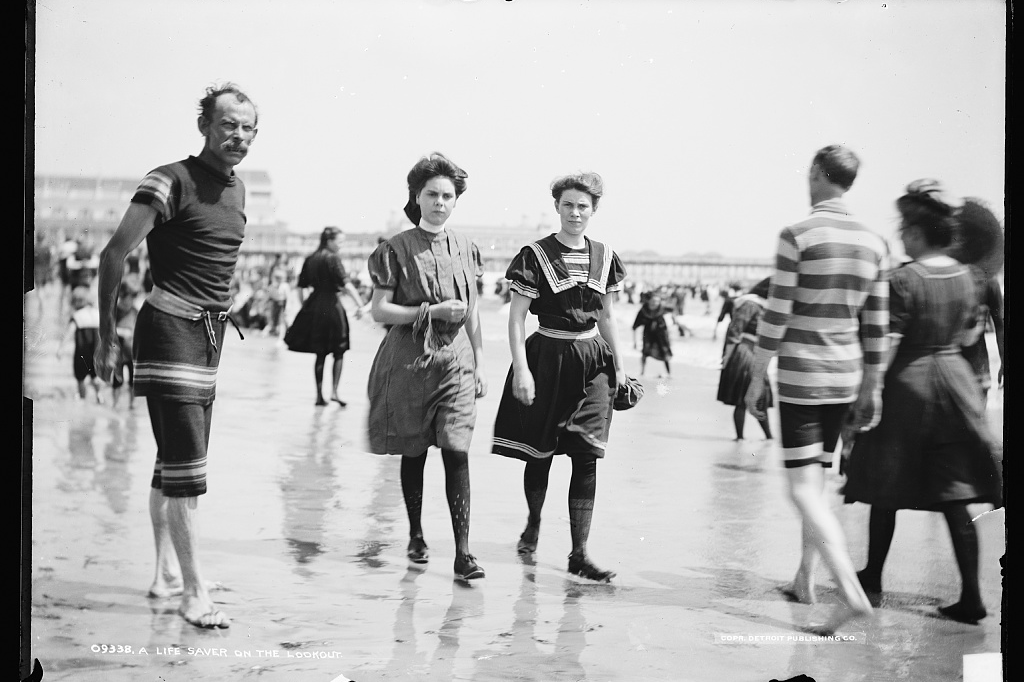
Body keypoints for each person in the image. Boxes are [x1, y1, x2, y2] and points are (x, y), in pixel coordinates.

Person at [93, 82, 259, 630]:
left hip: (209, 340)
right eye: (229, 124)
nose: (239, 135)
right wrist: (105, 337)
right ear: (205, 126)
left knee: (172, 464)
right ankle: (193, 594)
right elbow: (113, 253)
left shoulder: (237, 191)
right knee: (188, 469)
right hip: (169, 331)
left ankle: (167, 574)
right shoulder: (171, 179)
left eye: (249, 128)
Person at [842, 182, 1003, 625]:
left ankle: (872, 577)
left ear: (914, 233)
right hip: (956, 383)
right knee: (956, 494)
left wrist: (866, 395)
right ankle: (971, 597)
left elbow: (888, 342)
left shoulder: (903, 279)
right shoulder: (970, 278)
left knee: (884, 485)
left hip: (907, 386)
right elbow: (971, 335)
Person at [744, 144, 886, 634]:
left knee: (802, 489)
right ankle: (805, 579)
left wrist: (757, 373)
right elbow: (877, 326)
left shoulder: (797, 235)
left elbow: (777, 313)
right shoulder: (875, 241)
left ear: (817, 175)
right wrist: (874, 387)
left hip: (804, 376)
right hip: (848, 378)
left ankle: (848, 591)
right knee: (819, 483)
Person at [492, 172, 626, 583]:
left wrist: (619, 366)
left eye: (583, 206)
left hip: (593, 362)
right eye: (568, 204)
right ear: (557, 207)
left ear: (594, 210)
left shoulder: (604, 255)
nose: (575, 212)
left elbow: (606, 316)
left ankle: (579, 554)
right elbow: (516, 319)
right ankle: (534, 522)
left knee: (587, 455)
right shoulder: (535, 255)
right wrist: (521, 369)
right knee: (540, 452)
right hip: (547, 357)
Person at [365, 153, 487, 581]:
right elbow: (379, 310)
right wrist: (432, 310)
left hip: (457, 363)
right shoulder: (394, 250)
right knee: (414, 450)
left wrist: (481, 362)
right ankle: (416, 534)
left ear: (456, 201)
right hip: (409, 362)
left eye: (447, 195)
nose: (439, 202)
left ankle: (464, 553)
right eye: (431, 194)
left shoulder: (468, 249)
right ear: (416, 198)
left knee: (457, 449)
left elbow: (472, 311)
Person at [285, 226, 365, 406]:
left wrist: (305, 305)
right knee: (339, 349)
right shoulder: (333, 258)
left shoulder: (310, 259)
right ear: (329, 241)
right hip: (332, 305)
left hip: (314, 305)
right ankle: (335, 392)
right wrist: (361, 305)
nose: (342, 245)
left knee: (320, 352)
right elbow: (346, 285)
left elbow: (300, 287)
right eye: (340, 241)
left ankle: (319, 396)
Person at [717, 277, 773, 440]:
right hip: (745, 353)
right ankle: (742, 437)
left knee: (759, 397)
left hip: (753, 353)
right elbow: (735, 331)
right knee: (744, 396)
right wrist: (727, 357)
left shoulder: (757, 304)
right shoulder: (750, 304)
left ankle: (767, 436)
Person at [56, 287, 104, 403]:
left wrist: (61, 348)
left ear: (77, 301)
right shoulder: (97, 314)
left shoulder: (77, 316)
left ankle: (83, 399)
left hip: (82, 353)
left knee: (80, 378)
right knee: (95, 376)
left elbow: (69, 332)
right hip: (97, 352)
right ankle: (99, 394)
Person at [632, 292, 672, 378]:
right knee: (645, 352)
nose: (655, 303)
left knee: (665, 352)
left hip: (662, 334)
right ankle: (642, 372)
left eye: (658, 301)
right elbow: (635, 326)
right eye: (653, 301)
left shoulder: (662, 309)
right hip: (648, 334)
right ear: (648, 301)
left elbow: (673, 314)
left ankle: (669, 373)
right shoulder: (643, 311)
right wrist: (635, 342)